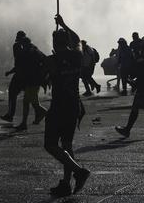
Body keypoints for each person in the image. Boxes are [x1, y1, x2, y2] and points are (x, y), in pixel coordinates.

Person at [43, 14, 90, 197]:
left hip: (58, 107)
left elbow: (46, 75)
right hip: (73, 106)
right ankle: (66, 184)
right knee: (67, 145)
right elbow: (77, 39)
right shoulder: (77, 55)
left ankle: (79, 172)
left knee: (50, 145)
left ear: (55, 43)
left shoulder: (51, 60)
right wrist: (63, 24)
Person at [15, 37, 48, 131]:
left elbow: (45, 61)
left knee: (32, 103)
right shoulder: (34, 51)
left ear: (25, 44)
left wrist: (40, 75)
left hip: (33, 81)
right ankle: (24, 123)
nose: (21, 46)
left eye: (21, 43)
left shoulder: (32, 52)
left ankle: (51, 117)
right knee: (29, 102)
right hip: (32, 80)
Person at [0, 31, 27, 123]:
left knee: (12, 93)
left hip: (20, 75)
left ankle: (10, 115)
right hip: (24, 74)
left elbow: (19, 65)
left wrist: (10, 72)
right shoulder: (25, 48)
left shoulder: (18, 47)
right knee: (30, 97)